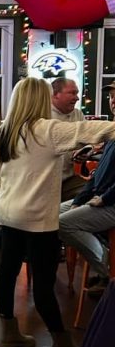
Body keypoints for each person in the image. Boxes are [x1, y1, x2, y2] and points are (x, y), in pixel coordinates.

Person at [0, 77, 115, 347]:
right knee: (45, 285)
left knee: (7, 271)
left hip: (8, 212)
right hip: (37, 219)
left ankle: (9, 334)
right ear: (40, 100)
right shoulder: (47, 130)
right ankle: (61, 345)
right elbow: (99, 129)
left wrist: (4, 196)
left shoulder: (4, 131)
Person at [58, 83, 115, 290]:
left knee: (63, 223)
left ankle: (106, 269)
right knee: (51, 216)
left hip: (111, 203)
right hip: (100, 197)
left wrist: (105, 198)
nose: (113, 100)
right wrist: (80, 201)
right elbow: (96, 175)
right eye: (110, 97)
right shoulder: (112, 132)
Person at [51, 77, 88, 200]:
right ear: (55, 94)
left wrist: (85, 151)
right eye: (72, 93)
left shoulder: (78, 114)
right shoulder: (43, 114)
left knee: (91, 191)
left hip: (69, 179)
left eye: (77, 93)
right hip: (46, 182)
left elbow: (87, 141)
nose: (77, 97)